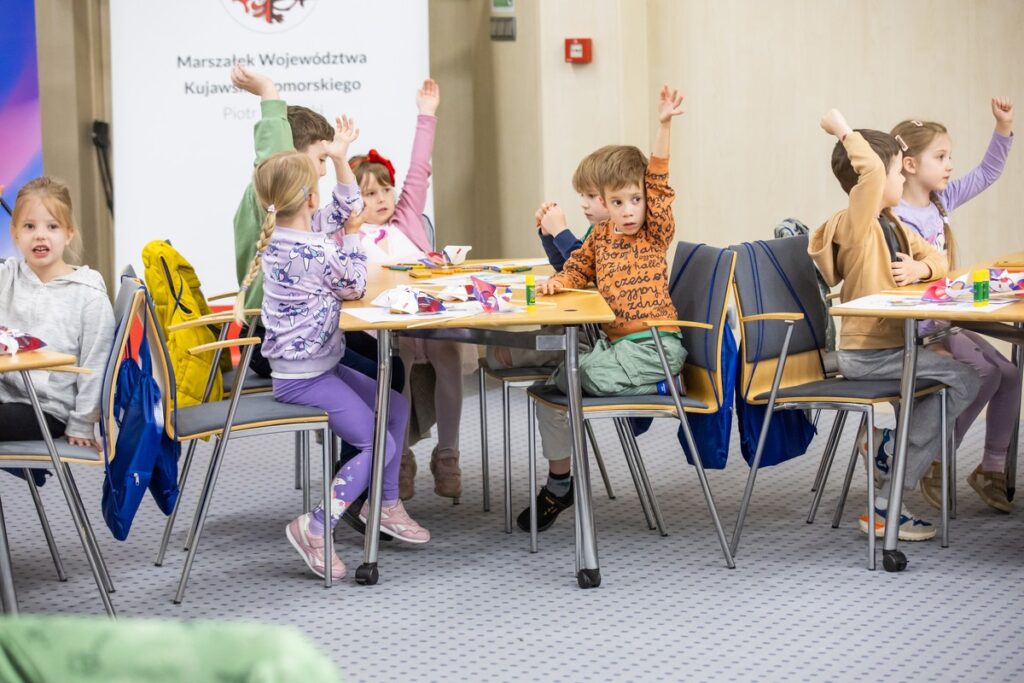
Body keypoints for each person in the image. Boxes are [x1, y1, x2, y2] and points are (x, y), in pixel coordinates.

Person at [233, 148, 429, 582]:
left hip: (319, 364)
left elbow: (344, 210)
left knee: (395, 408)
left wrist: (342, 159)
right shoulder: (314, 251)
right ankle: (316, 527)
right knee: (377, 445)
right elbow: (355, 283)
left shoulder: (292, 234)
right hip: (304, 378)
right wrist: (356, 238)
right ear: (307, 198)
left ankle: (386, 503)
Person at [517, 86, 688, 532]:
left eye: (635, 200)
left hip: (653, 348)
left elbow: (659, 181)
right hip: (618, 350)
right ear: (604, 203)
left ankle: (660, 385)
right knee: (550, 393)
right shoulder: (600, 237)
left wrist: (664, 125)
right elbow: (577, 269)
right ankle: (560, 483)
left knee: (575, 376)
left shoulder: (652, 233)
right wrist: (558, 282)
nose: (628, 211)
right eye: (616, 202)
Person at [809, 109, 981, 541]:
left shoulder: (896, 225)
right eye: (895, 174)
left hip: (893, 348)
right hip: (867, 353)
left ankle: (891, 449)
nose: (902, 181)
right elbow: (866, 175)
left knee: (961, 381)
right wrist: (844, 132)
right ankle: (888, 498)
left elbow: (940, 260)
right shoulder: (858, 224)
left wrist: (920, 272)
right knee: (963, 382)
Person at [890, 97, 1017, 513]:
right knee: (983, 372)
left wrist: (1003, 126)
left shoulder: (942, 201)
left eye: (949, 157)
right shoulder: (893, 216)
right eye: (940, 157)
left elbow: (988, 172)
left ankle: (992, 467)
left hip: (946, 322)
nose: (948, 166)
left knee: (1010, 373)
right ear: (909, 164)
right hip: (920, 330)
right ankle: (936, 459)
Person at [0, 178, 114, 449]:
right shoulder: (7, 277)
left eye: (52, 226)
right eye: (29, 226)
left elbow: (96, 364)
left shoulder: (88, 294)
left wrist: (83, 422)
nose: (40, 235)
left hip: (48, 410)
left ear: (68, 233)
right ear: (15, 232)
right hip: (5, 396)